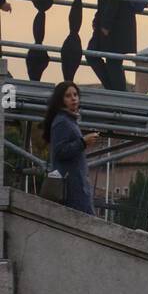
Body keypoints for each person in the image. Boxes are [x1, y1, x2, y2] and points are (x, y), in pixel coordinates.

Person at [42, 81, 99, 215]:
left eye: (75, 95)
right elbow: (60, 151)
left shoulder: (69, 120)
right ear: (60, 100)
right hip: (70, 187)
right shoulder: (62, 121)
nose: (73, 98)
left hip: (75, 183)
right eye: (68, 96)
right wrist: (83, 142)